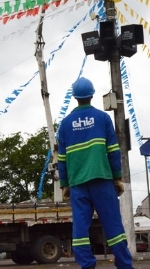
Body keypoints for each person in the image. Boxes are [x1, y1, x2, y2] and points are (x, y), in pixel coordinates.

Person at [58, 77, 134, 269]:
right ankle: (124, 265)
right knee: (114, 227)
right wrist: (117, 177)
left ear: (75, 97)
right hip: (102, 181)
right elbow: (114, 151)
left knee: (80, 229)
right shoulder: (103, 118)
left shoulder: (65, 124)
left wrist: (65, 184)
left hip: (77, 184)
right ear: (92, 95)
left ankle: (87, 265)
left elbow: (62, 159)